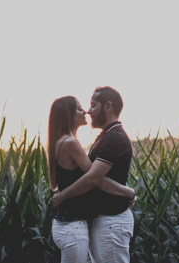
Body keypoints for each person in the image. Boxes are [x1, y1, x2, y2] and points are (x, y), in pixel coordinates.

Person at [48, 95, 135, 263]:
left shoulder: (62, 142)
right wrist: (128, 192)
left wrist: (62, 195)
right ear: (67, 114)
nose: (86, 111)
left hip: (72, 223)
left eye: (91, 106)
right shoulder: (71, 143)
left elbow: (93, 178)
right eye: (80, 108)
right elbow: (94, 179)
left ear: (108, 106)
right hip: (73, 224)